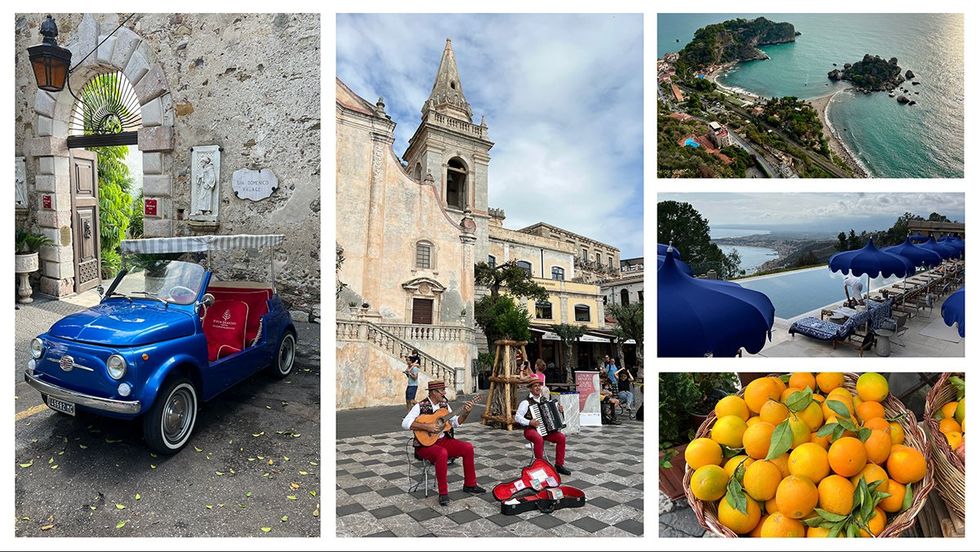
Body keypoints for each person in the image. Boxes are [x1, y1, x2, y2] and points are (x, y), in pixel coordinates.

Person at [402, 380, 486, 506]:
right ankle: (443, 493)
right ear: (433, 392)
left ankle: (470, 484)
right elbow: (405, 423)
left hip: (442, 440)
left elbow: (456, 423)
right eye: (442, 390)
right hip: (425, 444)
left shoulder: (445, 405)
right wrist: (427, 427)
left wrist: (466, 413)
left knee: (467, 447)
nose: (444, 393)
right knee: (442, 453)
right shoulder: (420, 406)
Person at [514, 380, 571, 474]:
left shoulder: (544, 399)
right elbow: (517, 417)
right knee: (539, 439)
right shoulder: (526, 402)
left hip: (546, 430)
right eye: (535, 386)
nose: (538, 388)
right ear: (530, 389)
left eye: (539, 386)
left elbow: (553, 414)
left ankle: (559, 465)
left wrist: (560, 411)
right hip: (530, 430)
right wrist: (529, 422)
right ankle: (539, 466)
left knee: (561, 437)